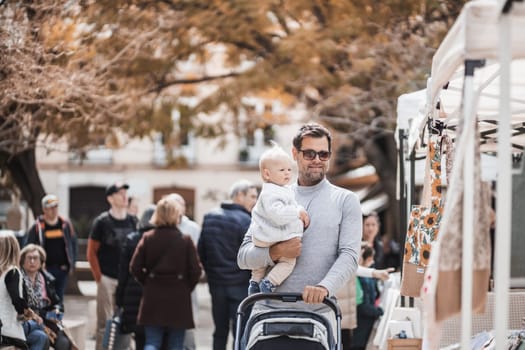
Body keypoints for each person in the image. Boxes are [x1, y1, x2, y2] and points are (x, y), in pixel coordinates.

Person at [237, 123, 362, 327]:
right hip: (267, 314)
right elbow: (243, 258)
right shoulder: (271, 197)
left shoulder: (346, 200)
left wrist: (324, 287)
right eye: (310, 153)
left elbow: (350, 255)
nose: (317, 160)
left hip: (318, 315)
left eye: (323, 154)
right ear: (295, 153)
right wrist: (275, 252)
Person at [130, 195, 202, 350]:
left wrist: (148, 282)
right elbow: (196, 270)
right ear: (177, 215)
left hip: (153, 297)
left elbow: (135, 267)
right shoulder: (185, 240)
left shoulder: (148, 238)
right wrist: (185, 287)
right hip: (179, 298)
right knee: (176, 345)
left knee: (152, 342)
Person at [197, 179, 258, 350]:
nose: (255, 201)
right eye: (252, 196)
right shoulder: (246, 220)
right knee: (240, 331)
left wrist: (211, 273)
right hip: (240, 285)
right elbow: (252, 256)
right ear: (239, 196)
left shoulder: (209, 217)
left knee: (220, 330)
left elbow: (201, 251)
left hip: (216, 285)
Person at [245, 142, 309, 294]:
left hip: (264, 237)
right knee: (288, 261)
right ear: (267, 174)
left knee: (260, 265)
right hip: (272, 236)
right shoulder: (271, 192)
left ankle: (254, 283)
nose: (287, 173)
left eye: (289, 169)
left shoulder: (280, 189)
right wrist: (298, 211)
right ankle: (269, 283)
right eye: (282, 170)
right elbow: (279, 215)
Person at [87, 181, 138, 350]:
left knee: (128, 321)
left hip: (128, 280)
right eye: (120, 193)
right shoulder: (102, 222)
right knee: (104, 323)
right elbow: (91, 252)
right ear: (110, 198)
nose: (125, 196)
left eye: (125, 192)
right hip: (107, 278)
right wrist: (99, 278)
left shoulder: (133, 221)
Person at [19, 244, 75, 350]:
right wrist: (48, 315)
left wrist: (57, 310)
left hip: (49, 320)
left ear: (41, 262)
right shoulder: (19, 279)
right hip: (31, 320)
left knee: (64, 343)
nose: (32, 261)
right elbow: (26, 308)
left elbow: (58, 302)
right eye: (29, 258)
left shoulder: (47, 279)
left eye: (35, 258)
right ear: (22, 261)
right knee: (43, 338)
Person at [116, 205, 156, 350]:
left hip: (131, 295)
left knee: (139, 338)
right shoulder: (159, 239)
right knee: (154, 338)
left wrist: (119, 299)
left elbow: (123, 272)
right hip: (153, 295)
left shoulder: (132, 238)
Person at [0, 231, 49, 350]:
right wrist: (28, 312)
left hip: (4, 327)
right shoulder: (12, 272)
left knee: (40, 336)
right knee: (40, 326)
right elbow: (16, 299)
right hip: (6, 330)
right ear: (15, 250)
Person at [26, 194, 77, 302]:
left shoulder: (65, 224)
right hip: (44, 270)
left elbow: (73, 244)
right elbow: (28, 247)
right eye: (50, 208)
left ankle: (58, 318)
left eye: (55, 207)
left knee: (59, 299)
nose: (54, 210)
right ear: (44, 209)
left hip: (62, 269)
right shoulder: (37, 226)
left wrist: (71, 264)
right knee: (45, 298)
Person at [169, 193, 201, 350]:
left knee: (187, 328)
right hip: (167, 285)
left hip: (187, 285)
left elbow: (199, 256)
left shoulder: (193, 228)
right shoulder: (162, 227)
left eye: (179, 204)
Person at [350, 244, 384, 350]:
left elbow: (375, 294)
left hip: (367, 321)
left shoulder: (368, 276)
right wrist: (378, 311)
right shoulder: (357, 278)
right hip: (360, 324)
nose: (372, 261)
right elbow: (359, 304)